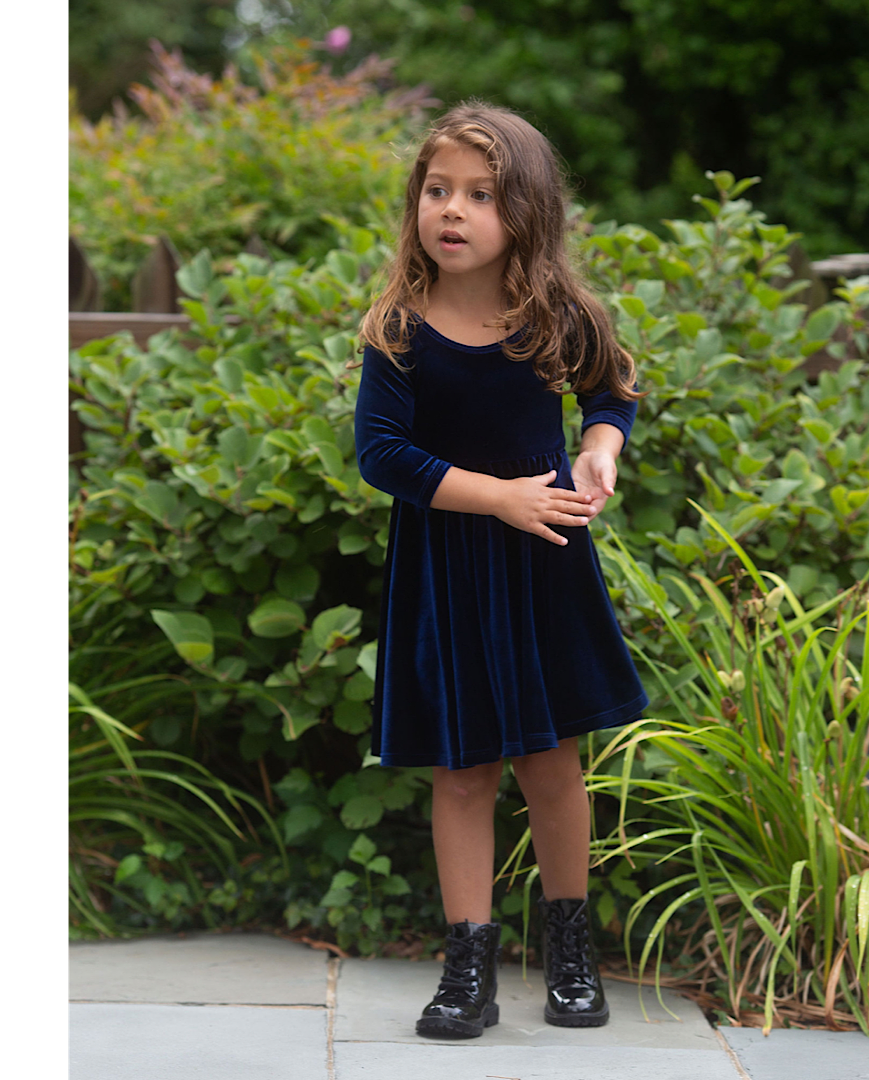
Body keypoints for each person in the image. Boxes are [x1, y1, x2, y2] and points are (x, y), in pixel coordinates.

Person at [353, 101, 648, 1040]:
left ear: (525, 213)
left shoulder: (555, 316)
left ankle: (571, 954)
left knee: (552, 765)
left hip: (542, 567)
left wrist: (599, 448)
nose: (453, 210)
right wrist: (499, 497)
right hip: (446, 573)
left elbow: (612, 388)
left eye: (480, 195)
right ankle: (468, 967)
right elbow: (383, 456)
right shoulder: (398, 329)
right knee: (463, 771)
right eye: (438, 190)